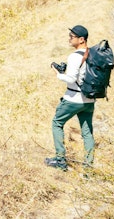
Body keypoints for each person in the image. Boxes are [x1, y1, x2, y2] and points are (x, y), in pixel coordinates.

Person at [45, 24, 96, 171]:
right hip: (90, 99)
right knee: (87, 133)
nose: (69, 39)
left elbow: (71, 78)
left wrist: (58, 74)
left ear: (81, 39)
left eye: (71, 37)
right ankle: (88, 168)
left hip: (74, 98)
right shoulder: (93, 54)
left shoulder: (74, 56)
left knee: (57, 123)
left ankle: (60, 161)